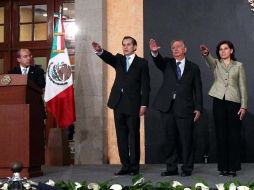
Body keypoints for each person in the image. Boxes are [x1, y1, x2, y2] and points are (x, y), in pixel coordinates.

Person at [92, 36, 150, 176]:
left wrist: (144, 104)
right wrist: (100, 51)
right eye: (123, 44)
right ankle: (125, 166)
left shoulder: (142, 63)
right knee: (121, 136)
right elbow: (108, 57)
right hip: (118, 103)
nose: (125, 47)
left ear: (135, 47)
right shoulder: (118, 59)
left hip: (134, 104)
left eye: (129, 44)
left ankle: (134, 167)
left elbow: (146, 86)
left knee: (133, 136)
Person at [149, 39, 203, 177]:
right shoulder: (167, 63)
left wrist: (198, 108)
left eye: (178, 47)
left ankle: (187, 168)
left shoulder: (193, 67)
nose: (175, 49)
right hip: (167, 107)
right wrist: (155, 52)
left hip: (185, 108)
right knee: (170, 139)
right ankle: (171, 168)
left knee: (186, 140)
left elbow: (198, 89)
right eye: (173, 47)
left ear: (185, 49)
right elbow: (158, 61)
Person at [200, 41, 247, 177]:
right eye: (220, 49)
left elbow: (243, 86)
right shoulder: (216, 64)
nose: (223, 51)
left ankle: (233, 168)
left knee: (233, 136)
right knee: (221, 135)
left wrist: (243, 106)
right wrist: (206, 54)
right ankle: (223, 168)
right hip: (218, 101)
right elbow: (209, 61)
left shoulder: (239, 66)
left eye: (226, 49)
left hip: (234, 102)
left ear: (231, 50)